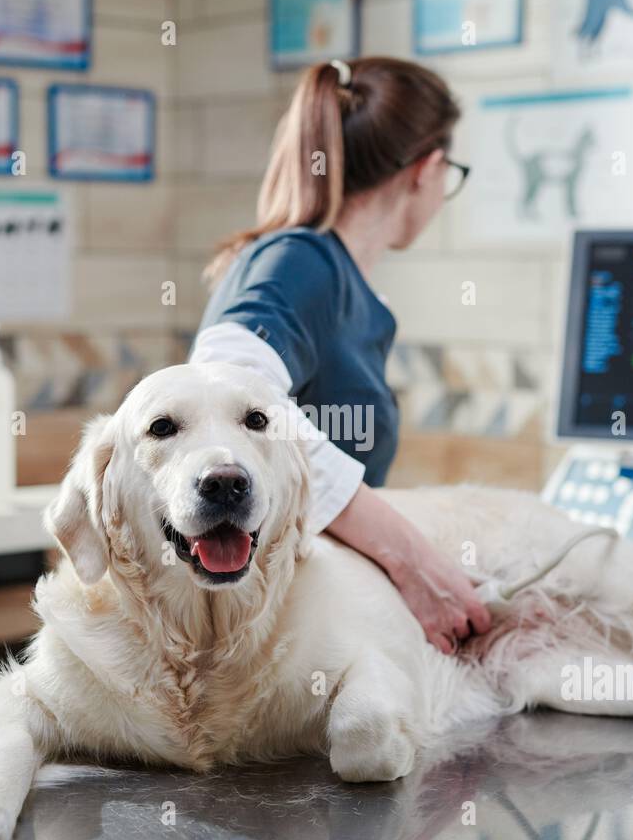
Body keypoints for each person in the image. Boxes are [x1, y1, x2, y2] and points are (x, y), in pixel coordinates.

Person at [190, 56, 490, 655]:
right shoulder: (302, 261)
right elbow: (221, 387)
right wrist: (411, 559)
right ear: (426, 169)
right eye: (449, 173)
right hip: (272, 638)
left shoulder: (336, 279)